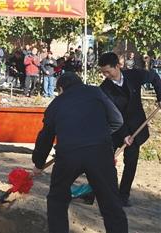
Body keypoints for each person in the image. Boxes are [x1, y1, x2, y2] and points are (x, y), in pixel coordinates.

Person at [32, 72, 128, 233]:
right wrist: (100, 135)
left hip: (69, 155)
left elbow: (46, 136)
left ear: (61, 88)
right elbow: (117, 120)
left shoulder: (56, 104)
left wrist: (38, 163)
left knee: (57, 199)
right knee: (111, 203)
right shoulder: (96, 92)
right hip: (100, 153)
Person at [98, 52, 161, 207]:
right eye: (103, 72)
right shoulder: (104, 89)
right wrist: (124, 134)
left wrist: (160, 96)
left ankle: (123, 196)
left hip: (137, 127)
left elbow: (153, 77)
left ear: (117, 66)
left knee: (131, 162)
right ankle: (94, 192)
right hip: (115, 130)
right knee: (103, 161)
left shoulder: (134, 75)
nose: (106, 75)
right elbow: (112, 115)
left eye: (108, 71)